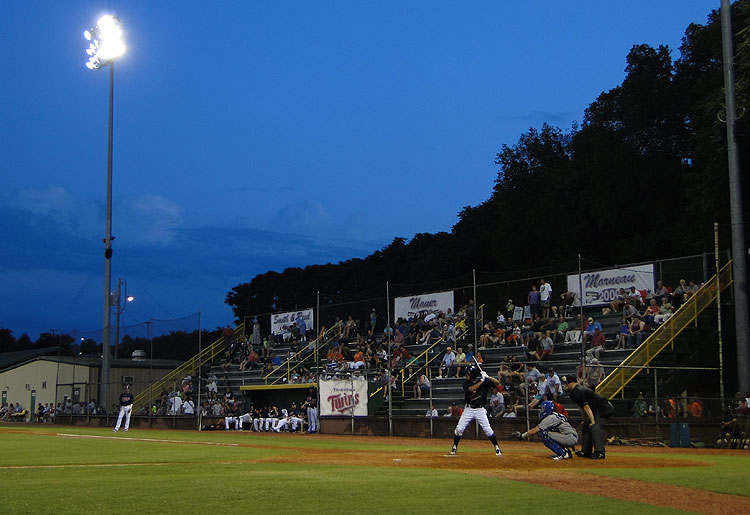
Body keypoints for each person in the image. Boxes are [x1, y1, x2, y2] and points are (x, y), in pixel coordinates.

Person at [450, 366, 502, 456]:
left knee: (487, 429)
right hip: (468, 409)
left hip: (480, 410)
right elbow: (471, 389)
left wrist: (488, 377)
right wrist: (482, 380)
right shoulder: (466, 383)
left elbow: (497, 383)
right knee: (459, 429)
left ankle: (497, 447)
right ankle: (454, 447)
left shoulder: (484, 381)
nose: (466, 375)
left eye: (468, 374)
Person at [564, 376, 613, 459]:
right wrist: (585, 420)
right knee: (586, 426)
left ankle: (600, 452)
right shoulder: (573, 393)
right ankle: (586, 451)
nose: (565, 385)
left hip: (604, 408)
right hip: (594, 409)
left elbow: (586, 407)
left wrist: (592, 421)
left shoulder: (578, 390)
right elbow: (582, 408)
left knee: (595, 427)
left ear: (571, 383)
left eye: (566, 383)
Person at [513, 400, 578, 460]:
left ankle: (562, 454)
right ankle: (566, 452)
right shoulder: (556, 415)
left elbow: (535, 430)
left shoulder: (550, 417)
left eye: (543, 408)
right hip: (570, 436)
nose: (542, 410)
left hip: (569, 437)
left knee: (544, 434)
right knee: (551, 432)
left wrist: (522, 436)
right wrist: (574, 448)